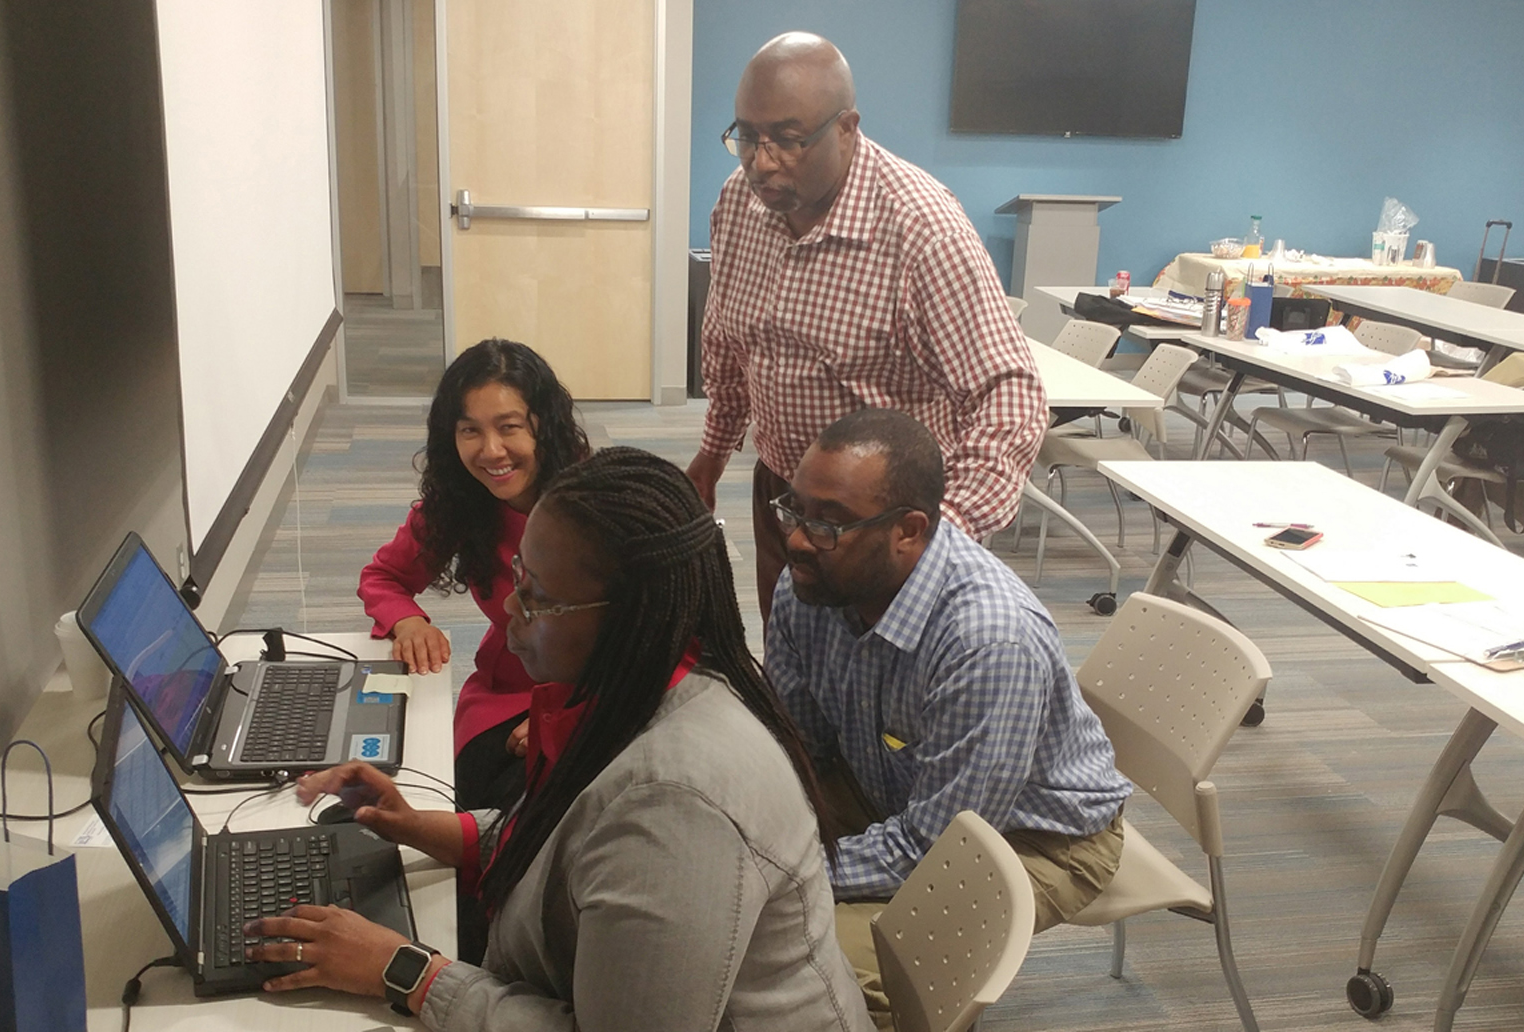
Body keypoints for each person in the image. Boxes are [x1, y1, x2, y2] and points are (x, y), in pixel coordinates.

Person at [247, 448, 873, 1032]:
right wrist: (412, 824)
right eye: (520, 576)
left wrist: (404, 970)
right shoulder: (634, 688)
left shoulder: (676, 810)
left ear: (626, 617)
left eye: (538, 598)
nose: (511, 609)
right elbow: (565, 843)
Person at [765, 409, 1131, 1022]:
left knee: (815, 959)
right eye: (794, 510)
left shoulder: (987, 642)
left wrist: (780, 875)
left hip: (1032, 838)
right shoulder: (813, 585)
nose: (798, 540)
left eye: (827, 523)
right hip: (893, 785)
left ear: (908, 531)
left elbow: (935, 848)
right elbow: (802, 749)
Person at [685, 31, 1045, 623]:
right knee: (791, 647)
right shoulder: (739, 204)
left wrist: (944, 533)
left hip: (876, 523)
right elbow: (728, 338)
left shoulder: (921, 230)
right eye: (746, 136)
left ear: (847, 128)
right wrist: (714, 449)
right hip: (781, 491)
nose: (762, 162)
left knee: (876, 668)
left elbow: (1010, 395)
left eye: (788, 140)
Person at [359, 338, 589, 813]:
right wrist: (408, 621)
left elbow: (657, 636)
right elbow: (383, 577)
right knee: (463, 792)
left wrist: (575, 709)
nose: (491, 451)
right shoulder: (460, 502)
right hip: (507, 689)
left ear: (543, 425)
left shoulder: (600, 500)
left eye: (509, 427)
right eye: (470, 431)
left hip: (599, 691)